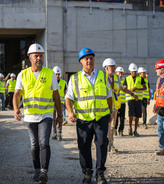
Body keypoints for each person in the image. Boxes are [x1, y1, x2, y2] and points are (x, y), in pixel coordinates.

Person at [13, 43, 62, 184]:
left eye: (41, 56)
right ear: (30, 57)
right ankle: (36, 169)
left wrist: (59, 115)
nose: (39, 58)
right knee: (34, 144)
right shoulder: (22, 75)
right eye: (36, 56)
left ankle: (43, 171)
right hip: (29, 115)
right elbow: (17, 94)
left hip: (46, 114)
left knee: (44, 143)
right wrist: (16, 109)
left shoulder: (50, 74)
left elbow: (56, 95)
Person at [65, 48, 112, 184]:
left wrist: (110, 111)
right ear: (81, 62)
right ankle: (87, 173)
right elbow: (68, 98)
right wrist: (70, 112)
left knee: (102, 144)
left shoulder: (103, 76)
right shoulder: (74, 79)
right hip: (84, 119)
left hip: (101, 117)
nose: (89, 61)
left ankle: (100, 173)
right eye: (86, 59)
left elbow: (109, 95)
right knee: (84, 145)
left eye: (91, 58)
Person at [103, 59, 138, 153]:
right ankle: (105, 144)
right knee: (106, 126)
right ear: (106, 68)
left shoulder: (116, 78)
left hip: (114, 107)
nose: (114, 68)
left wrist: (132, 94)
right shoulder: (101, 78)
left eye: (114, 66)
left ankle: (110, 144)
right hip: (105, 107)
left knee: (112, 126)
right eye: (112, 67)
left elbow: (123, 89)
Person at [124, 63, 146, 137]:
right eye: (132, 71)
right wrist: (131, 89)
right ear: (129, 71)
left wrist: (137, 89)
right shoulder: (126, 79)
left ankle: (135, 130)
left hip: (138, 99)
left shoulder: (140, 78)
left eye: (135, 71)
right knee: (131, 114)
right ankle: (130, 127)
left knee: (137, 115)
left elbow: (145, 87)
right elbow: (124, 89)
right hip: (130, 99)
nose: (134, 73)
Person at [51, 66, 67, 141]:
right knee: (53, 119)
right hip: (53, 103)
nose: (57, 76)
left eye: (58, 74)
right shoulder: (51, 82)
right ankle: (54, 133)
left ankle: (59, 133)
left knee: (60, 118)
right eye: (56, 74)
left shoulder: (64, 83)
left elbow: (65, 93)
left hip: (61, 104)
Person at [115, 66, 127, 136]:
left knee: (122, 118)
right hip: (116, 103)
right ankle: (115, 129)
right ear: (116, 73)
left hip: (122, 102)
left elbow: (125, 88)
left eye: (121, 73)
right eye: (119, 73)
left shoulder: (124, 81)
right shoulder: (114, 80)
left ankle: (121, 130)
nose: (120, 75)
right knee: (116, 117)